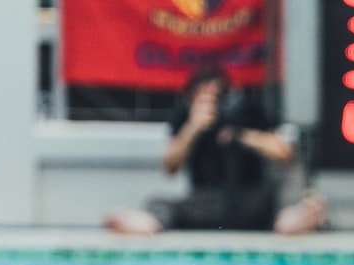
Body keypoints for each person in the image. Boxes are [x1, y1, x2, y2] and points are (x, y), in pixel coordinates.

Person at [104, 67, 328, 235]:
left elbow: (285, 154)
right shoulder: (185, 117)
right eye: (205, 97)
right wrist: (193, 127)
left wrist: (243, 135)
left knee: (292, 174)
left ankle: (295, 217)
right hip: (208, 201)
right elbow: (170, 166)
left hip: (253, 198)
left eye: (217, 96)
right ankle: (147, 223)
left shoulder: (246, 112)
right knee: (159, 203)